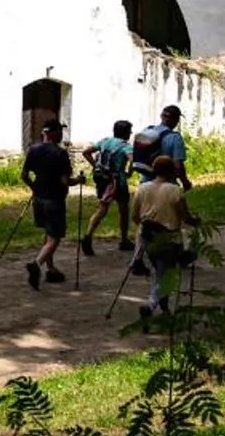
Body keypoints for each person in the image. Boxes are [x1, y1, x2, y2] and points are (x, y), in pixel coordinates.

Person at [132, 165, 197, 317]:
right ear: (171, 172)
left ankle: (164, 306)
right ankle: (150, 305)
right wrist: (196, 222)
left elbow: (135, 217)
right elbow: (185, 217)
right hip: (170, 240)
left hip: (148, 238)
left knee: (161, 271)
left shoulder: (142, 188)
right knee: (165, 274)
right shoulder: (175, 190)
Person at [20, 120, 74, 290]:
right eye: (59, 131)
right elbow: (65, 181)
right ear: (51, 133)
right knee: (55, 238)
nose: (61, 134)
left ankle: (51, 269)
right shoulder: (60, 153)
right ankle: (36, 264)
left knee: (48, 234)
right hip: (54, 199)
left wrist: (34, 187)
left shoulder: (34, 149)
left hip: (38, 198)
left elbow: (24, 175)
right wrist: (78, 180)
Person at [78, 119, 138, 257]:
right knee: (124, 210)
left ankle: (88, 235)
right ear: (126, 133)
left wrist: (95, 166)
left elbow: (86, 152)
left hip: (103, 180)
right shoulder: (125, 146)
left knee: (102, 209)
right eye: (129, 131)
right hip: (119, 183)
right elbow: (132, 159)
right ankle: (124, 239)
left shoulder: (104, 141)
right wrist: (129, 171)